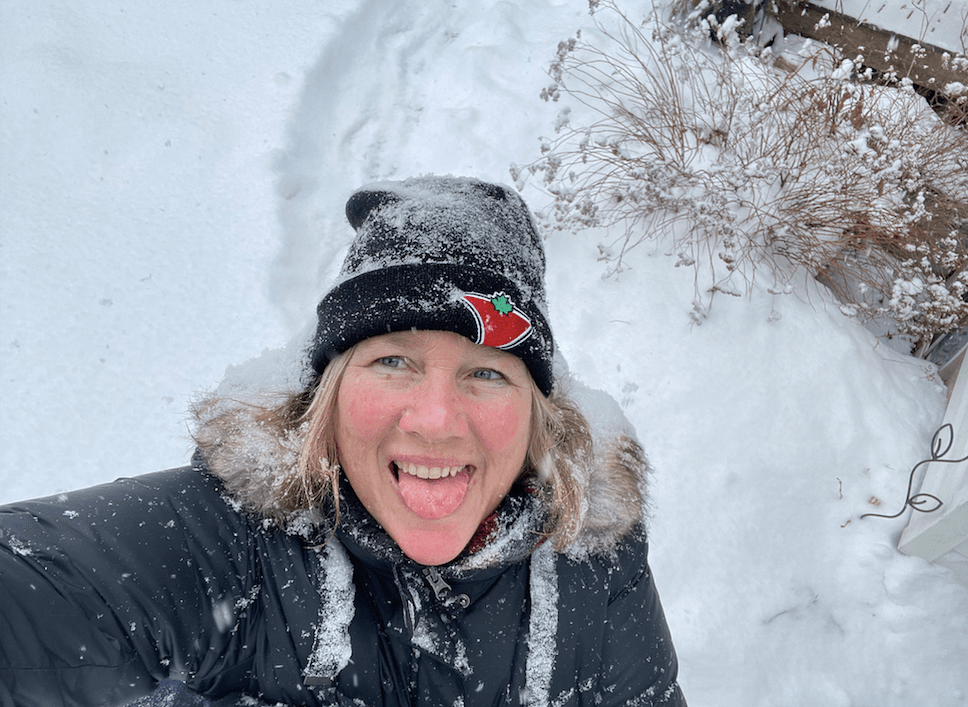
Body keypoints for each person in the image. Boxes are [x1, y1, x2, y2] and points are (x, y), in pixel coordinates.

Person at [0, 175, 686, 707]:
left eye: (487, 372)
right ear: (330, 391)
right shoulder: (233, 540)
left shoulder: (591, 562)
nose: (437, 419)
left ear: (537, 412)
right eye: (394, 361)